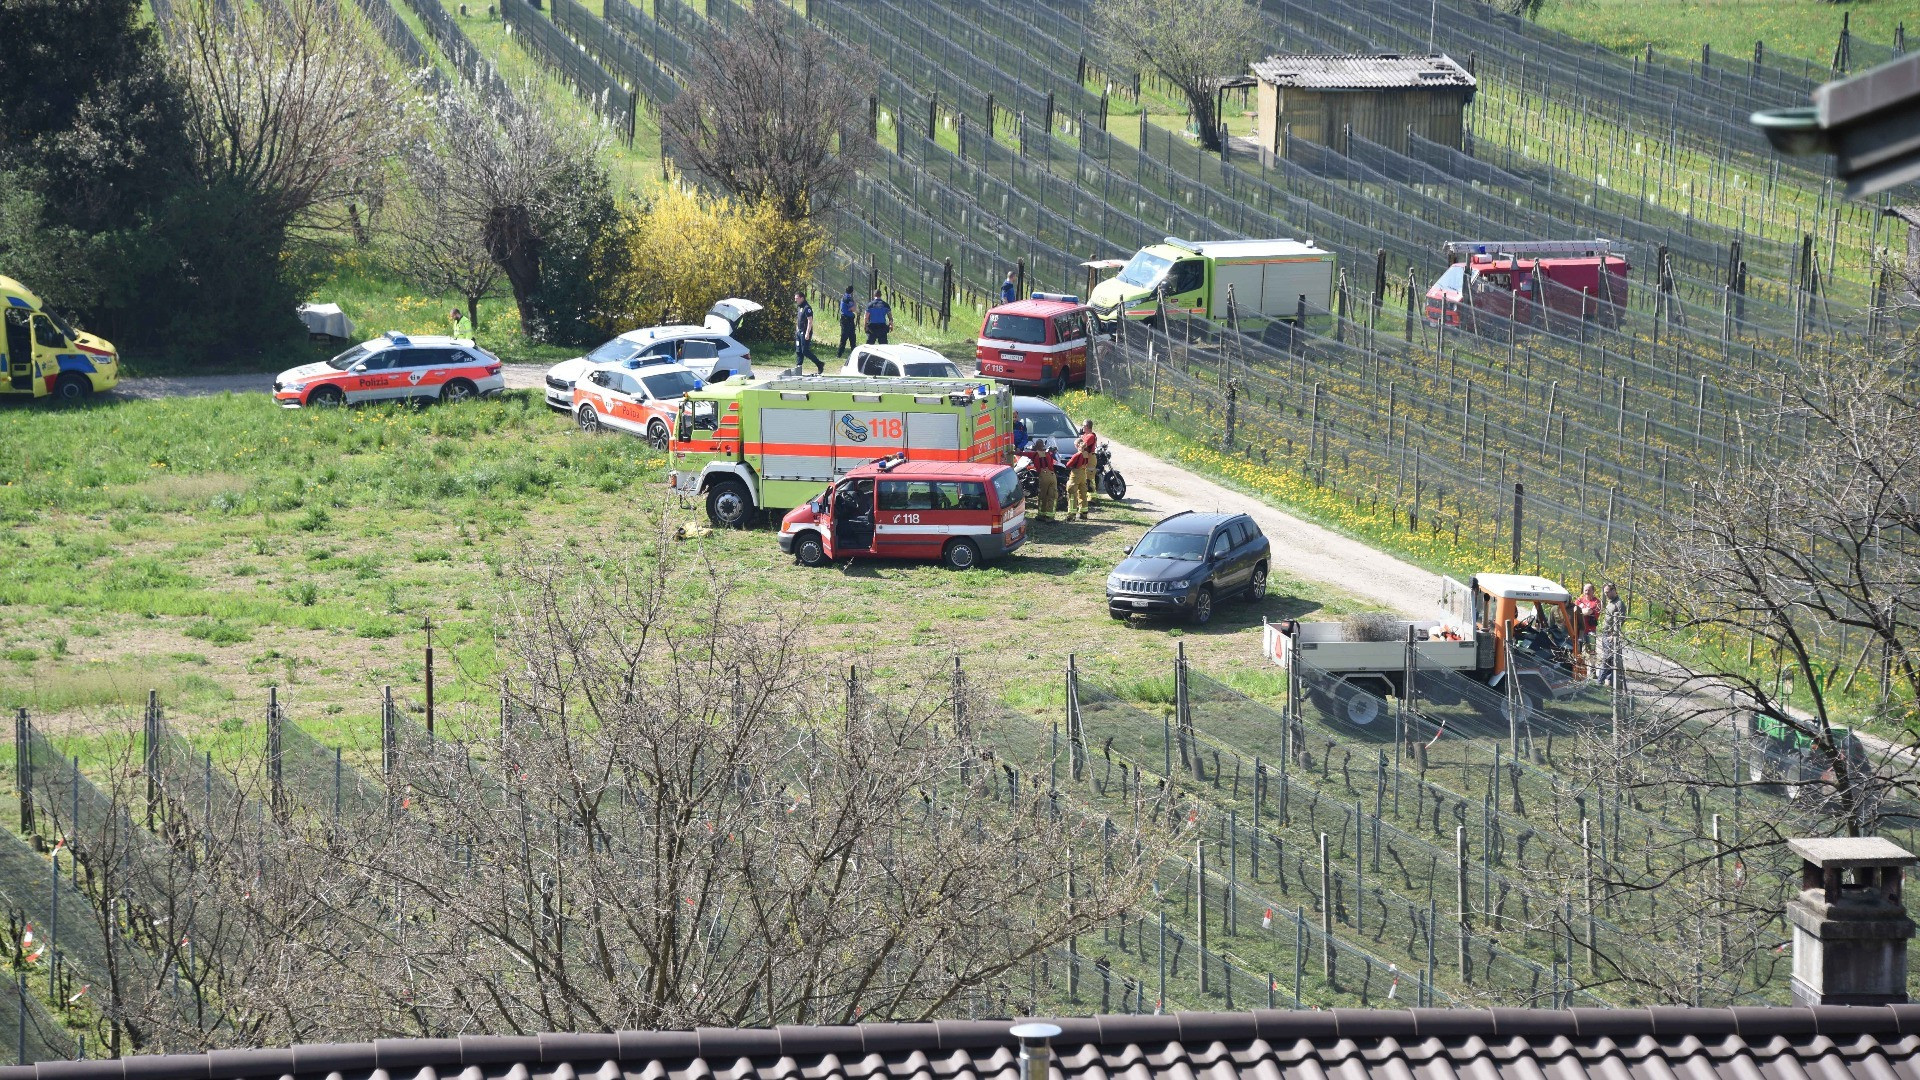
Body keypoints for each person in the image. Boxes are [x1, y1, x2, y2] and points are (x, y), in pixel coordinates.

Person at [1064, 421, 1097, 519]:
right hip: (1083, 471)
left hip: (1077, 473)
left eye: (1083, 426)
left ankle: (1071, 514)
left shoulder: (1090, 437)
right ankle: (1084, 512)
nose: (1082, 427)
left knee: (1072, 491)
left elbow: (1069, 464)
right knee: (1082, 491)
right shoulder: (1085, 453)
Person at [1596, 582, 1626, 687]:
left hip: (1611, 635)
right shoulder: (1610, 603)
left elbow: (1621, 620)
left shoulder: (1619, 603)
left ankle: (1600, 681)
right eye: (1605, 593)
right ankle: (1609, 680)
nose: (1606, 594)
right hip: (1605, 633)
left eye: (1608, 592)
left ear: (1614, 590)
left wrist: (1613, 635)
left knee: (1607, 658)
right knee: (1609, 658)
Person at [793, 293, 822, 374]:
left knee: (805, 351)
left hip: (805, 332)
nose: (795, 300)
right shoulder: (799, 307)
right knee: (798, 350)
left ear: (802, 298)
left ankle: (819, 364)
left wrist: (807, 333)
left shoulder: (807, 308)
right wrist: (797, 329)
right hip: (799, 332)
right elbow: (798, 319)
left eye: (797, 298)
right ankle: (798, 367)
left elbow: (810, 321)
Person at [1030, 438, 1059, 520]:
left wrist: (1012, 452)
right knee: (1052, 496)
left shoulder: (1035, 454)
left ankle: (1041, 515)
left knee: (1042, 496)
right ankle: (1050, 517)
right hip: (1052, 476)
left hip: (1044, 476)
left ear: (1036, 446)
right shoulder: (1048, 454)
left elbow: (1022, 453)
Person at [836, 287, 858, 356]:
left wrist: (850, 309)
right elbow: (854, 309)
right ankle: (852, 352)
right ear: (852, 292)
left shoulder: (844, 298)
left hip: (845, 319)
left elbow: (851, 309)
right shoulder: (849, 299)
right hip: (847, 319)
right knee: (851, 337)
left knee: (845, 336)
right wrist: (852, 307)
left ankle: (840, 353)